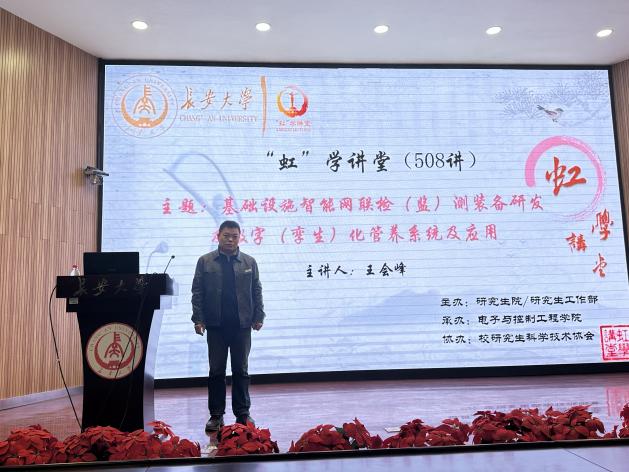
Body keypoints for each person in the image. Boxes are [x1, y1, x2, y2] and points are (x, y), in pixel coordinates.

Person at [191, 220, 265, 432]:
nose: (230, 240)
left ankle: (243, 413)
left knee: (241, 370)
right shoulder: (205, 261)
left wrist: (259, 316)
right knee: (216, 371)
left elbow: (256, 291)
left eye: (234, 236)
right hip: (216, 325)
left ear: (239, 237)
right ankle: (216, 415)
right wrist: (198, 319)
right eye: (226, 236)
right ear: (218, 236)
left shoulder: (249, 262)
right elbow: (197, 292)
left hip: (242, 325)